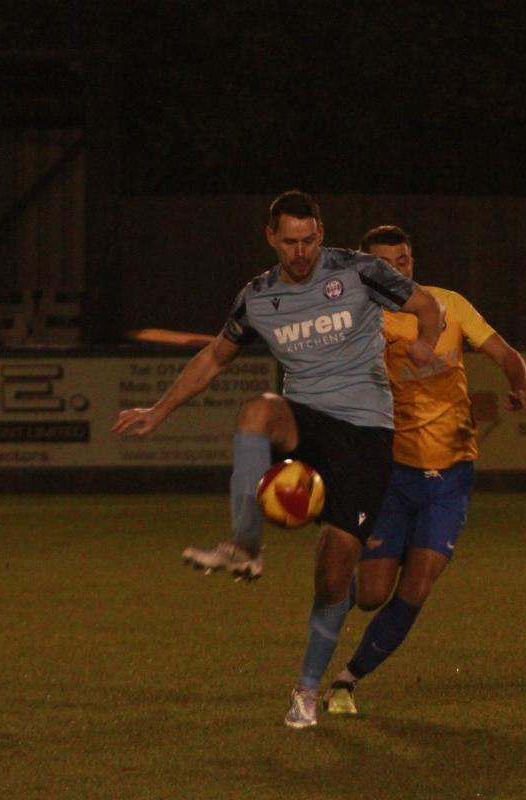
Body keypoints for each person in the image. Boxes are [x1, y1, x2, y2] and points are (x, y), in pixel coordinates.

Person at [112, 191, 442, 728]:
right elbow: (214, 357)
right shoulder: (258, 296)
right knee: (258, 410)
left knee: (333, 573)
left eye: (309, 239)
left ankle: (307, 690)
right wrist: (159, 410)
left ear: (321, 232)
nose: (300, 251)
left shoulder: (357, 271)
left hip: (364, 433)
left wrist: (426, 341)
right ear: (271, 238)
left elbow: (428, 306)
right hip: (306, 419)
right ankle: (246, 546)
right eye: (289, 242)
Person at [321, 225, 526, 716]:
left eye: (403, 261)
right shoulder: (362, 321)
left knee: (417, 586)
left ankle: (346, 681)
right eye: (385, 265)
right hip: (394, 474)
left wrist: (520, 385)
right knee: (372, 595)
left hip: (452, 474)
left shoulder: (449, 305)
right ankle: (341, 586)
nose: (397, 271)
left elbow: (506, 355)